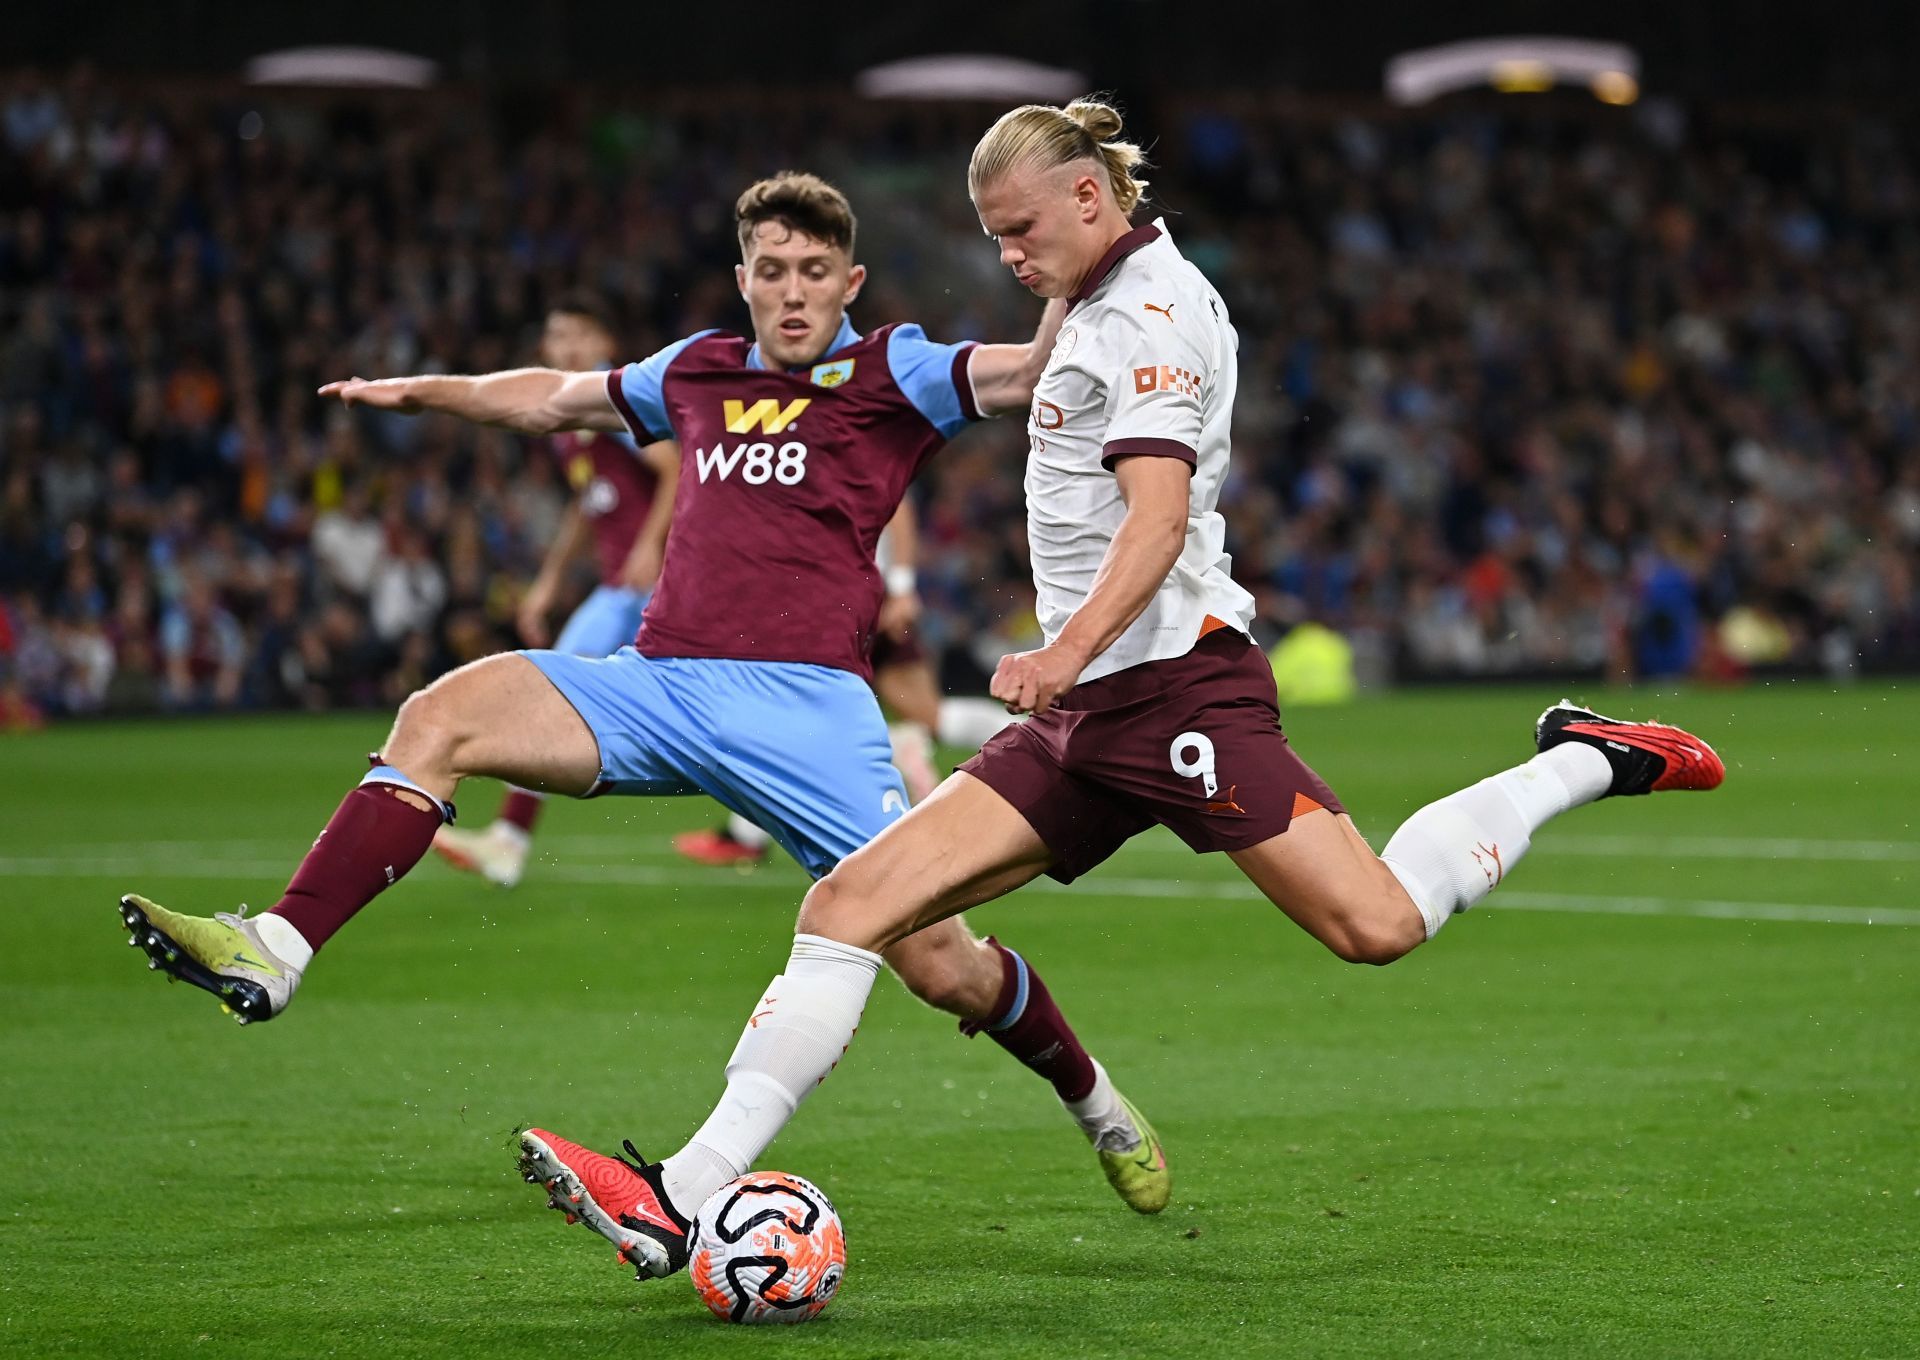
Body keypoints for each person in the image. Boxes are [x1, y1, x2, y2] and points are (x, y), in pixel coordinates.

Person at [510, 98, 1726, 1283]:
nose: (1006, 253)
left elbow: (1154, 521)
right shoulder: (1091, 305)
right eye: (994, 233)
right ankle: (682, 1188)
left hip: (1183, 696)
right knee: (851, 903)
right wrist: (1071, 672)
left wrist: (1058, 651)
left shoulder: (1150, 315)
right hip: (1090, 715)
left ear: (1090, 198)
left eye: (1021, 228)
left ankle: (1580, 754)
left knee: (1378, 925)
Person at [117, 172, 1169, 1224]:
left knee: (940, 962)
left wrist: (1079, 254)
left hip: (807, 711)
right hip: (661, 684)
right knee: (439, 715)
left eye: (814, 273)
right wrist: (425, 389)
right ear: (743, 280)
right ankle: (281, 947)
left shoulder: (894, 366)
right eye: (772, 272)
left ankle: (1097, 1101)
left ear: (849, 282)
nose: (794, 292)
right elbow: (547, 397)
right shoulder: (698, 369)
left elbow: (1030, 370)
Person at [431, 295, 676, 887]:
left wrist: (650, 545)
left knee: (558, 695)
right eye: (555, 335)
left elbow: (678, 466)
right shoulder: (570, 422)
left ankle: (510, 839)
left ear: (604, 344)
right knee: (553, 692)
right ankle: (509, 840)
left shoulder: (613, 404)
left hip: (655, 585)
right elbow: (585, 506)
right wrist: (546, 583)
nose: (564, 347)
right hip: (622, 589)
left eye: (577, 334)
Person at [674, 497, 1018, 866]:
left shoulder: (845, 448)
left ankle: (746, 835)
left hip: (846, 597)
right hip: (857, 593)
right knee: (922, 711)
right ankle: (1026, 736)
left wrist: (901, 585)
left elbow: (898, 507)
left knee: (791, 710)